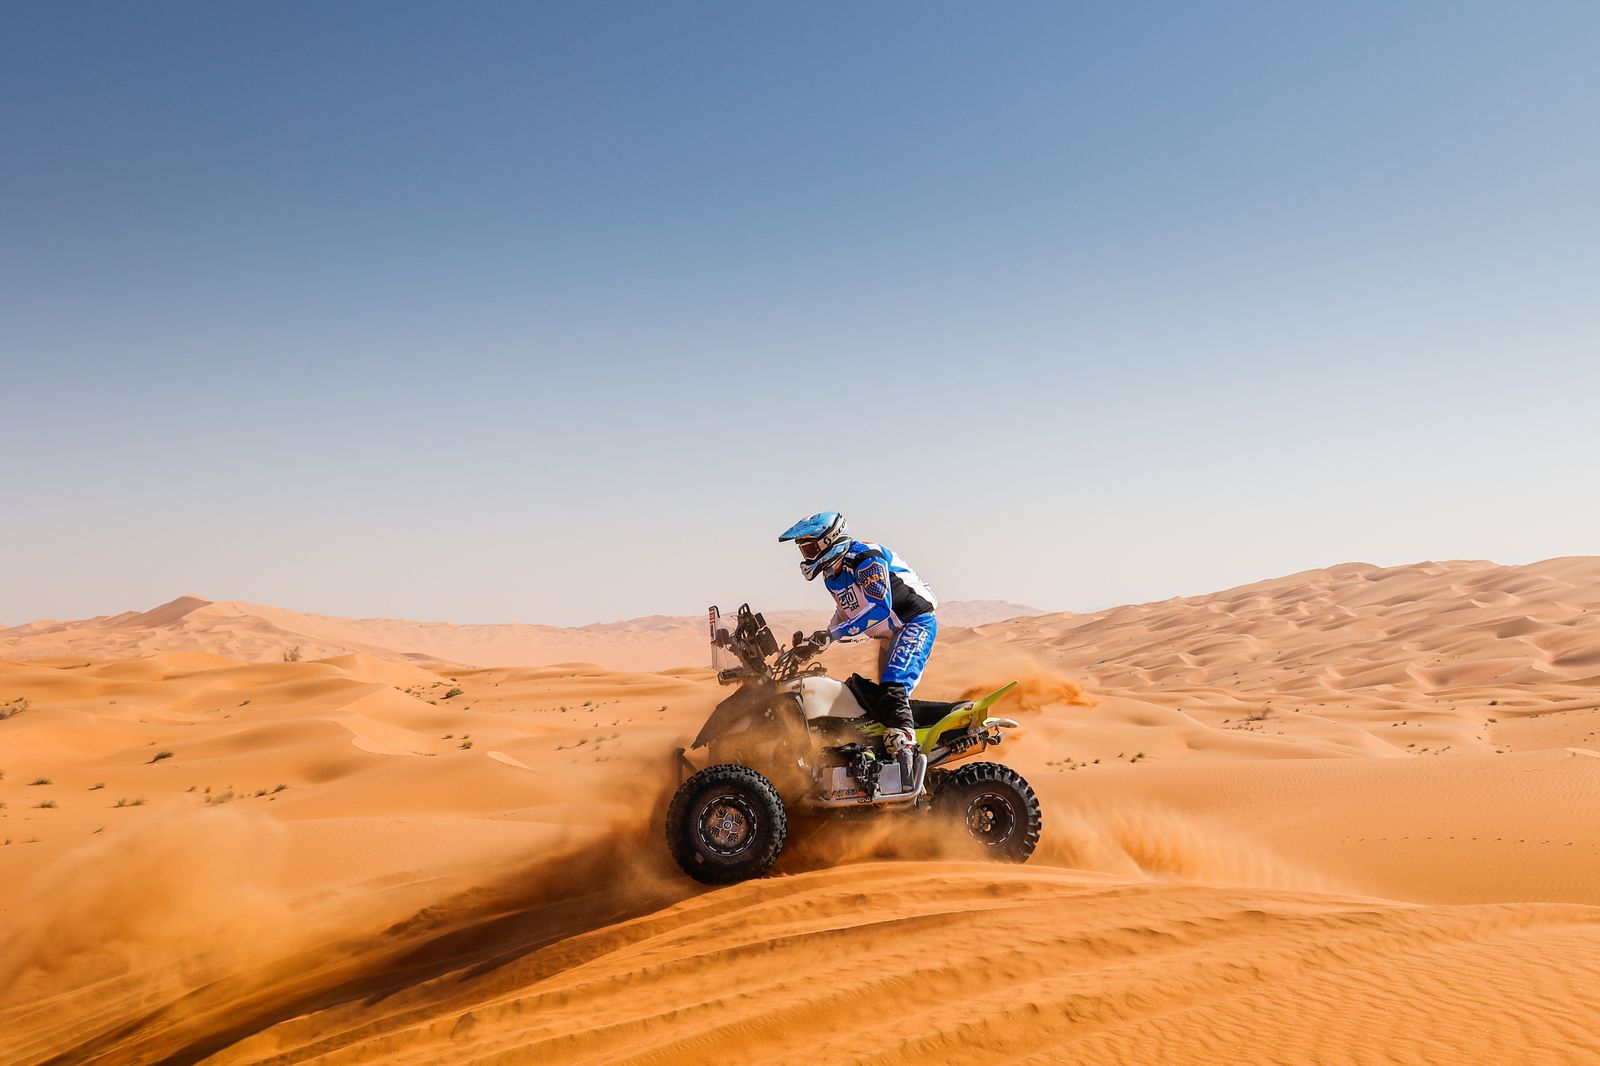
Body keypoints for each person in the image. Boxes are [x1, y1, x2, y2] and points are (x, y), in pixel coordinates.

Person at [778, 512, 938, 788]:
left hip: (913, 623)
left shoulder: (865, 559)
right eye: (803, 548)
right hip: (889, 632)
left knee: (894, 687)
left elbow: (879, 608)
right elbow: (845, 613)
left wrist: (832, 634)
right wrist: (816, 642)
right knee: (867, 693)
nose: (806, 554)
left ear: (830, 541)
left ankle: (907, 773)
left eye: (810, 547)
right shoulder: (831, 574)